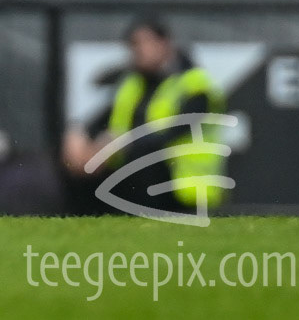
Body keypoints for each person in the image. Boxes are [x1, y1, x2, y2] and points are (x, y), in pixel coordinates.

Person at [62, 14, 228, 216]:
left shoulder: (195, 86)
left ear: (165, 43)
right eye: (134, 44)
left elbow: (170, 134)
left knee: (142, 158)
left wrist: (118, 144)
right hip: (134, 176)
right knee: (77, 158)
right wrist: (78, 134)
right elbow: (101, 120)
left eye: (145, 42)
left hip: (184, 187)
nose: (139, 50)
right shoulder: (132, 85)